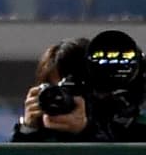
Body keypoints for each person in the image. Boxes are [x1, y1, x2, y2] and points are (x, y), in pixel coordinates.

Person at [12, 30, 146, 142]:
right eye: (56, 90)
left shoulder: (129, 128)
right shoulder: (40, 134)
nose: (61, 99)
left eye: (74, 90)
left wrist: (86, 132)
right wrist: (27, 130)